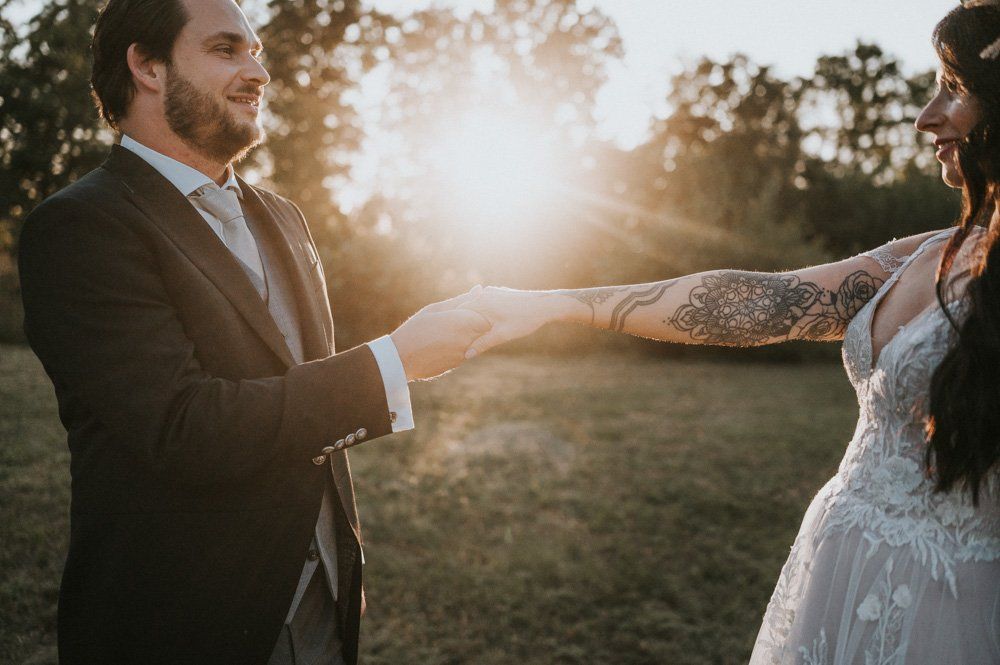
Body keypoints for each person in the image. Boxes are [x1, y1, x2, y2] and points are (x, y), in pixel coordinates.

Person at [462, 3, 1000, 662]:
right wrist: (559, 304)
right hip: (838, 572)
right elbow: (761, 302)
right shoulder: (927, 254)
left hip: (949, 603)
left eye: (954, 88)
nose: (926, 116)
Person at [16, 0, 490, 663]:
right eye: (226, 50)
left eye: (256, 53)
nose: (258, 73)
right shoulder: (80, 227)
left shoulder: (284, 217)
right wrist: (393, 362)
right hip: (185, 624)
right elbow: (183, 427)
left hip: (323, 608)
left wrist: (338, 560)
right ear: (147, 66)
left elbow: (305, 398)